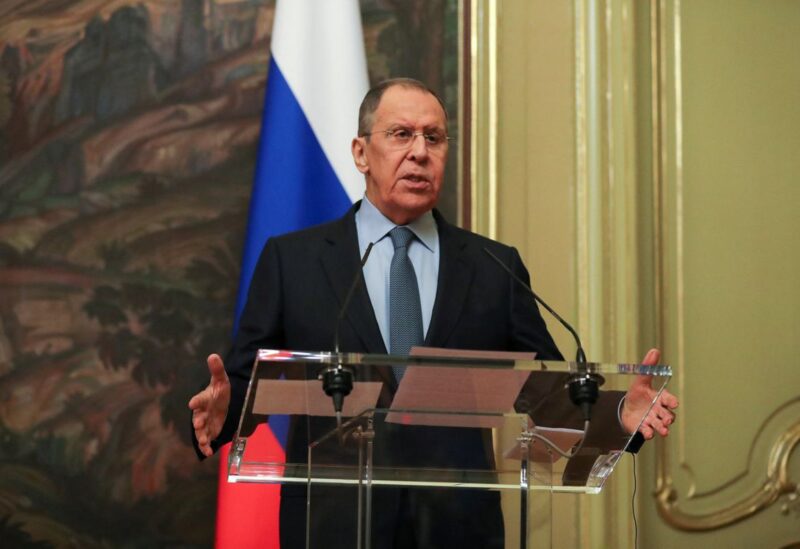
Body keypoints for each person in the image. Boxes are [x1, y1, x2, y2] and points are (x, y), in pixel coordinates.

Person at [189, 78, 678, 548]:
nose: (419, 151)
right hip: (332, 526)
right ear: (361, 153)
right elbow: (246, 381)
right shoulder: (293, 261)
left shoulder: (493, 266)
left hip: (458, 528)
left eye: (435, 138)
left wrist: (619, 412)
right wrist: (222, 413)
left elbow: (544, 390)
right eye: (401, 134)